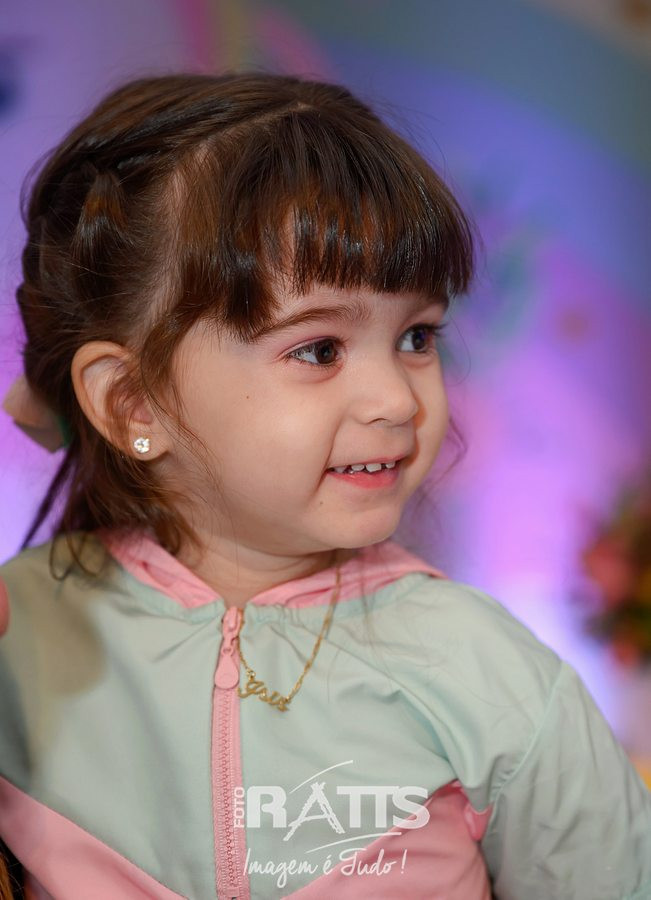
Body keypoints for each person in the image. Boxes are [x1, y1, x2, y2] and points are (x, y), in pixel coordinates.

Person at [0, 72, 649, 900]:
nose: (396, 400)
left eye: (416, 337)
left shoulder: (488, 671)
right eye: (318, 350)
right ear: (134, 401)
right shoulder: (22, 639)